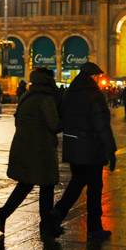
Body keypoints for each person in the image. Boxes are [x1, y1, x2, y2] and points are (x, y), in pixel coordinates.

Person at [51, 62, 117, 240]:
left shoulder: (70, 93)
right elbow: (101, 126)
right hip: (91, 150)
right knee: (94, 188)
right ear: (93, 77)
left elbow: (61, 118)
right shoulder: (94, 95)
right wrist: (110, 149)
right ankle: (94, 229)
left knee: (77, 183)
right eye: (98, 76)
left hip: (73, 147)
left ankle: (56, 214)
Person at [0, 68, 63, 238]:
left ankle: (3, 213)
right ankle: (46, 226)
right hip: (41, 149)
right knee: (46, 185)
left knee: (25, 184)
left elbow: (18, 120)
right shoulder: (46, 99)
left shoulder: (27, 95)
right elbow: (54, 124)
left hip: (25, 146)